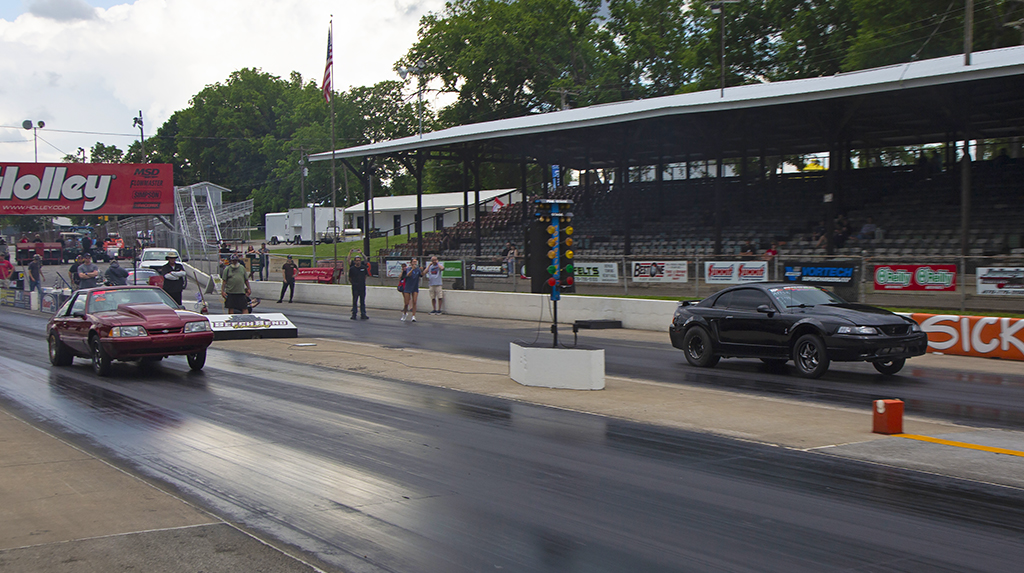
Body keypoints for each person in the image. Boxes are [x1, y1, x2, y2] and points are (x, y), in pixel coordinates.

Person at [348, 255, 370, 320]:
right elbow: (350, 278)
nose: (358, 262)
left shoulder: (363, 268)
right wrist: (354, 283)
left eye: (359, 260)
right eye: (357, 260)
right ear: (354, 261)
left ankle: (363, 314)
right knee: (355, 300)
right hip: (355, 287)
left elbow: (365, 276)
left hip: (362, 287)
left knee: (362, 301)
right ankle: (354, 314)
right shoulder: (352, 269)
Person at [400, 258, 423, 322]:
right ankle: (404, 313)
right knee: (406, 303)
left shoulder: (418, 270)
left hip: (415, 286)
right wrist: (412, 269)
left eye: (416, 262)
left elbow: (422, 275)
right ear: (411, 263)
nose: (415, 263)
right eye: (414, 262)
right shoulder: (408, 269)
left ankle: (413, 315)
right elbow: (408, 275)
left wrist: (423, 269)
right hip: (408, 286)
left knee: (414, 301)